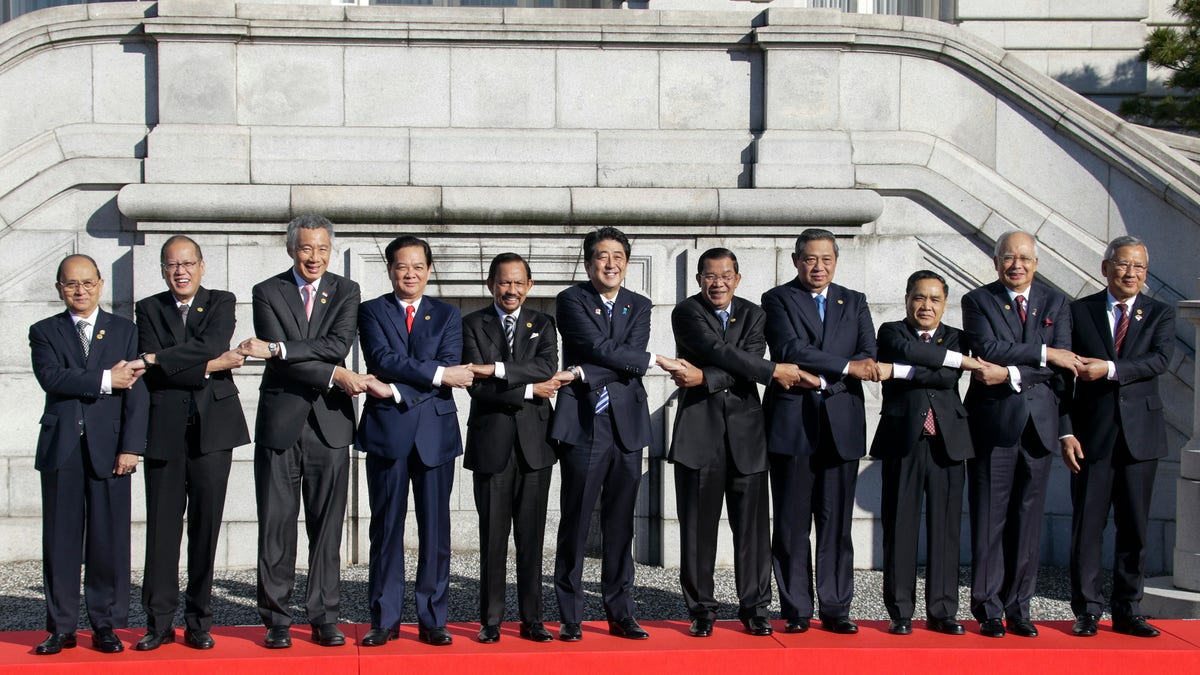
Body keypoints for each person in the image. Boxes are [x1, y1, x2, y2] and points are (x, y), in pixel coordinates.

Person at [668, 247, 817, 638]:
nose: (718, 283)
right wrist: (771, 371)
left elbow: (738, 362)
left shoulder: (754, 314)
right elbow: (716, 350)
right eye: (710, 276)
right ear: (699, 279)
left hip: (747, 435)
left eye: (725, 275)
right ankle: (701, 609)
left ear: (738, 278)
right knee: (698, 530)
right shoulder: (686, 312)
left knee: (752, 529)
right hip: (698, 435)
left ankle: (754, 607)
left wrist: (705, 378)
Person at [239, 215, 368, 649]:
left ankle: (324, 616)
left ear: (330, 251)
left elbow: (338, 344)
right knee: (276, 524)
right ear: (291, 248)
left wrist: (280, 350)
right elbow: (289, 355)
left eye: (322, 250)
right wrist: (332, 372)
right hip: (281, 423)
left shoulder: (347, 291)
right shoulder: (267, 291)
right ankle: (276, 619)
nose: (314, 257)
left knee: (327, 527)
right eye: (306, 249)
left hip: (329, 426)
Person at [551, 226, 682, 642]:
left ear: (626, 262)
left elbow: (624, 362)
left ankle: (620, 612)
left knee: (620, 523)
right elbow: (601, 348)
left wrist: (582, 372)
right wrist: (645, 359)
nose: (611, 264)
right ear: (589, 262)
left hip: (626, 426)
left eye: (618, 257)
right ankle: (571, 613)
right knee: (575, 520)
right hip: (585, 423)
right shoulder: (571, 300)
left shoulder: (639, 305)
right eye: (602, 257)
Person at [356, 235, 474, 647]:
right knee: (386, 528)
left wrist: (399, 389)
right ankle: (384, 619)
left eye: (418, 266)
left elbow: (449, 366)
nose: (410, 273)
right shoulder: (371, 311)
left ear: (428, 270)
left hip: (435, 433)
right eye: (402, 266)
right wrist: (436, 376)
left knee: (435, 530)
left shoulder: (447, 314)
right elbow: (383, 360)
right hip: (387, 432)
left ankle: (433, 618)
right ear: (390, 269)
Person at [134, 235, 250, 651]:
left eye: (187, 263)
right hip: (164, 430)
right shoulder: (148, 308)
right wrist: (212, 366)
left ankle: (199, 621)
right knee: (162, 532)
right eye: (171, 264)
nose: (179, 271)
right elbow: (156, 371)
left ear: (202, 266)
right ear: (163, 269)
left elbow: (209, 342)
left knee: (205, 529)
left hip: (213, 431)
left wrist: (162, 359)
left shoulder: (222, 300)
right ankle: (159, 622)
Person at [761, 228, 879, 635]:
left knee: (835, 522)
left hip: (841, 423)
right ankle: (795, 607)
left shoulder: (855, 301)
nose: (818, 267)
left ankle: (835, 606)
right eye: (810, 259)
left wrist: (833, 372)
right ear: (796, 260)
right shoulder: (777, 300)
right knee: (793, 523)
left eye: (826, 259)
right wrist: (845, 368)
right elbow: (789, 350)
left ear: (835, 261)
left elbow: (869, 353)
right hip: (794, 424)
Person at [29, 254, 148, 655]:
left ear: (100, 284)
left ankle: (106, 625)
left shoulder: (125, 330)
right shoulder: (44, 331)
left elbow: (137, 392)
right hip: (62, 447)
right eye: (70, 284)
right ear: (59, 288)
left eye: (87, 283)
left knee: (107, 540)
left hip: (111, 449)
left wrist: (131, 447)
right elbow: (52, 377)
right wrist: (104, 379)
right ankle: (60, 626)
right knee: (60, 540)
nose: (80, 291)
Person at [961, 230, 1077, 638]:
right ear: (996, 262)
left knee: (1027, 521)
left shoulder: (1057, 303)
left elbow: (1063, 366)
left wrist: (1011, 372)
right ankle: (988, 607)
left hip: (1040, 427)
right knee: (989, 519)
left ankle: (1019, 607)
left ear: (1036, 263)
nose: (1017, 265)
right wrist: (1044, 354)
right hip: (994, 425)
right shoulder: (977, 301)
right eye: (1009, 258)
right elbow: (987, 348)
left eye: (1025, 258)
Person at [1061, 235, 1174, 638]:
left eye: (1139, 267)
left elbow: (1158, 360)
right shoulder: (1079, 311)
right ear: (1106, 267)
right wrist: (1065, 431)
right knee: (1087, 527)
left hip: (1140, 438)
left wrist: (1107, 369)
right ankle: (1087, 610)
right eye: (1124, 265)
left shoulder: (1159, 313)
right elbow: (1062, 378)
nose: (1131, 273)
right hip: (1091, 437)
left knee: (1134, 529)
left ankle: (1128, 608)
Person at [870, 270, 983, 636]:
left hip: (948, 443)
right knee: (900, 526)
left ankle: (942, 611)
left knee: (945, 528)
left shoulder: (957, 337)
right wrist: (942, 361)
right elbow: (905, 352)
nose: (926, 305)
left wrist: (902, 372)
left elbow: (948, 379)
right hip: (904, 440)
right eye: (920, 297)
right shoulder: (891, 332)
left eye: (935, 299)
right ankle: (900, 611)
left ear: (944, 303)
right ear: (907, 298)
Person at [461, 253, 561, 644]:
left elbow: (547, 367)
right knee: (492, 537)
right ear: (491, 285)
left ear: (530, 286)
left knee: (532, 537)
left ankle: (532, 618)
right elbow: (475, 382)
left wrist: (499, 370)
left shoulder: (544, 323)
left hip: (535, 446)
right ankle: (491, 619)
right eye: (504, 282)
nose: (512, 290)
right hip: (491, 443)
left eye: (519, 283)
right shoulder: (472, 324)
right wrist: (531, 389)